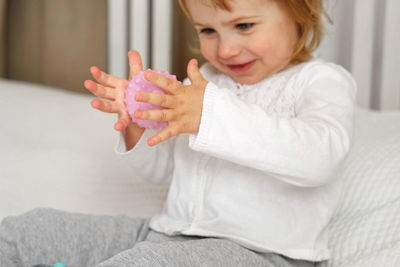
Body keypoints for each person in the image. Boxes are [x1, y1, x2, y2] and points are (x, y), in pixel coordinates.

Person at [0, 0, 356, 266]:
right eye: (208, 31)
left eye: (244, 26)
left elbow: (319, 158)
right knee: (33, 230)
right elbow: (165, 171)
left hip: (260, 252)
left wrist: (210, 115)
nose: (226, 49)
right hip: (168, 235)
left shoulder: (319, 82)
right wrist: (138, 128)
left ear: (299, 12)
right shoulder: (204, 84)